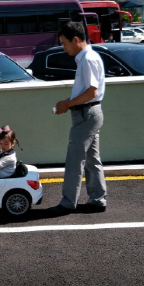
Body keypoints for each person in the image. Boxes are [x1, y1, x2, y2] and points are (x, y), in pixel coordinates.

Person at [49, 22, 107, 215]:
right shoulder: (88, 57)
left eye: (65, 43)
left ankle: (68, 202)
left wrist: (67, 104)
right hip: (89, 112)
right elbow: (88, 92)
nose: (64, 48)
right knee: (91, 159)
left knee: (75, 158)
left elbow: (91, 92)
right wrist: (67, 102)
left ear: (76, 40)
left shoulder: (87, 59)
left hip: (86, 114)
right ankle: (98, 199)